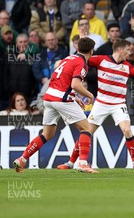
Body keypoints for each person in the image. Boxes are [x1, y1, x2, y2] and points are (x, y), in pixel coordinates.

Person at [59, 40, 134, 170]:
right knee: (87, 131)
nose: (129, 53)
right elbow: (83, 59)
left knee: (127, 130)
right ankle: (70, 163)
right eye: (127, 50)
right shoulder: (101, 60)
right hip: (101, 103)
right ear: (120, 50)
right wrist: (82, 43)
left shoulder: (127, 66)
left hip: (118, 104)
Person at [12, 38, 96, 174]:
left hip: (49, 97)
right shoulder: (82, 63)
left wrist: (74, 97)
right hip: (61, 99)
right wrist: (90, 95)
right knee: (86, 128)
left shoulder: (67, 59)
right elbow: (75, 84)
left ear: (78, 48)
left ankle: (22, 159)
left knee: (47, 134)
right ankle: (83, 163)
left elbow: (62, 81)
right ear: (91, 51)